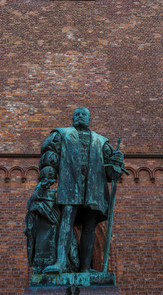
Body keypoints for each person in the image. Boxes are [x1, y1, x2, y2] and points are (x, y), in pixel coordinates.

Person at [38, 106, 125, 274]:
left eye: (83, 115)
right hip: (70, 185)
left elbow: (110, 171)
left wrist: (117, 164)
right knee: (66, 222)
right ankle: (61, 262)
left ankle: (85, 268)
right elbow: (50, 158)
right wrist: (46, 180)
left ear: (89, 119)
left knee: (90, 226)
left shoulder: (101, 141)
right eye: (76, 114)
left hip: (94, 189)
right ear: (72, 118)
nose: (79, 116)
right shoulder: (61, 134)